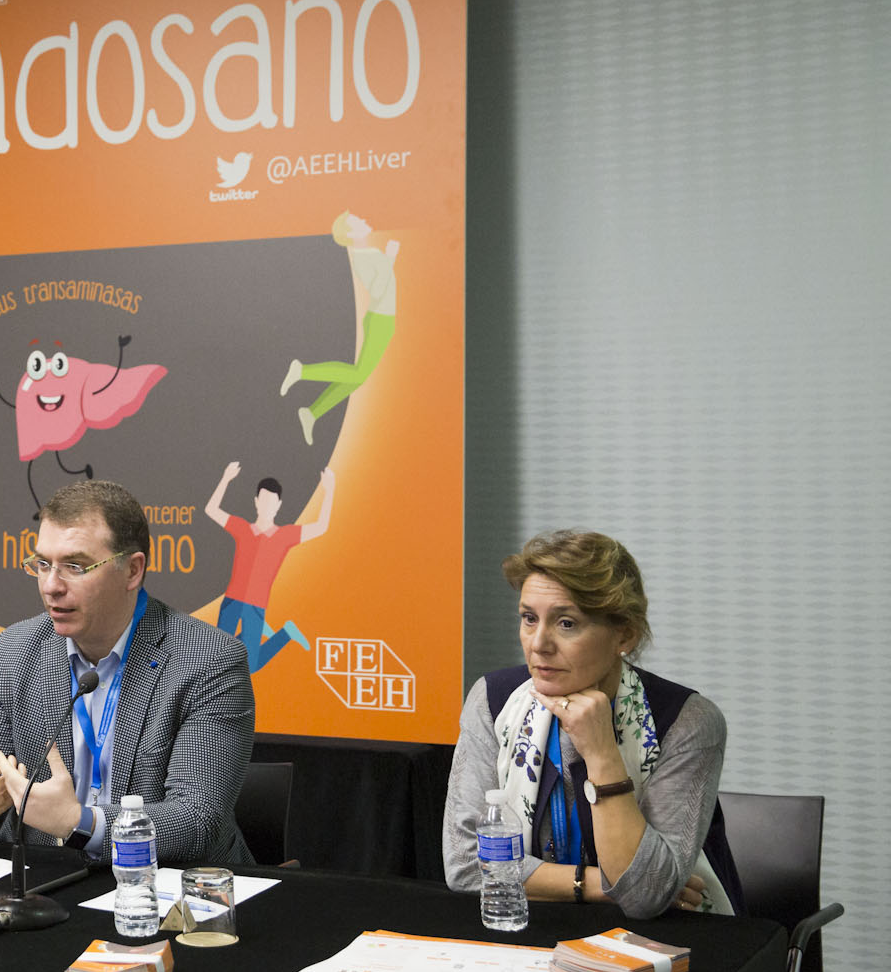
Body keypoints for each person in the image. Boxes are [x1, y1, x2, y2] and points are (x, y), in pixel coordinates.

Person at [0, 481, 255, 865]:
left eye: (75, 566)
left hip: (166, 886)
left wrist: (80, 823)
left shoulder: (208, 659)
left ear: (132, 570)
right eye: (42, 564)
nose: (51, 586)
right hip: (45, 880)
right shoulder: (14, 651)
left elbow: (197, 819)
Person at [443, 530, 743, 918]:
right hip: (532, 924)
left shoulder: (688, 720)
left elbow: (645, 897)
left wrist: (601, 752)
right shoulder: (493, 699)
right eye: (529, 618)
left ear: (625, 635)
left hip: (674, 936)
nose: (538, 644)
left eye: (566, 623)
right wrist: (597, 886)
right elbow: (467, 865)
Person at [281, 210, 398, 445]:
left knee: (357, 378)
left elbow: (383, 285)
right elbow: (377, 291)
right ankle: (302, 371)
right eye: (357, 221)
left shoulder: (369, 253)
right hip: (380, 320)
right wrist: (390, 258)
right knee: (358, 374)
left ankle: (311, 413)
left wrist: (387, 259)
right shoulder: (362, 259)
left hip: (384, 319)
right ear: (351, 234)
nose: (364, 219)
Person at [206, 461, 335, 673]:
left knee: (251, 665)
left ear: (278, 505)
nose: (267, 506)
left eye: (272, 502)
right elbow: (211, 509)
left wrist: (330, 490)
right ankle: (259, 634)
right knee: (220, 656)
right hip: (232, 601)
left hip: (256, 606)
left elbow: (321, 527)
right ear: (256, 502)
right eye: (263, 501)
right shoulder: (242, 529)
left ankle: (286, 633)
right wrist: (226, 479)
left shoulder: (285, 536)